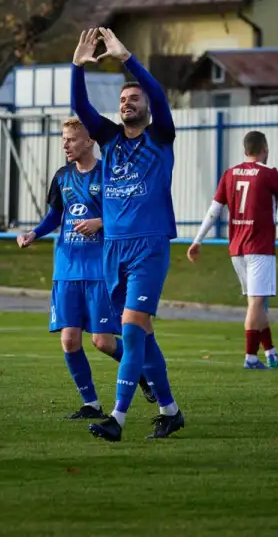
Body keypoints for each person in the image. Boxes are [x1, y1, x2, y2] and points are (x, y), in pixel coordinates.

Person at [71, 27, 183, 442]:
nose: (127, 102)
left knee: (133, 328)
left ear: (147, 106)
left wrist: (125, 57)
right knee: (142, 337)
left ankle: (117, 418)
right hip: (112, 249)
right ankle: (170, 411)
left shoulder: (161, 136)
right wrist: (77, 66)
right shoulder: (111, 139)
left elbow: (156, 90)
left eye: (133, 98)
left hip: (149, 245)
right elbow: (80, 107)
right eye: (122, 99)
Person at [17, 118, 156, 419]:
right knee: (69, 340)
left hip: (99, 271)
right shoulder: (63, 176)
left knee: (103, 342)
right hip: (66, 270)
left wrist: (100, 223)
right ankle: (91, 404)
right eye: (64, 139)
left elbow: (125, 214)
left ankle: (144, 373)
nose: (65, 144)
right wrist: (34, 233)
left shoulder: (108, 174)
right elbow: (55, 215)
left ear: (90, 141)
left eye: (72, 139)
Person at [187, 130, 278, 369]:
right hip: (259, 248)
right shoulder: (269, 174)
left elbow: (214, 210)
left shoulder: (230, 174)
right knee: (256, 304)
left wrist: (197, 240)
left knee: (257, 303)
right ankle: (250, 358)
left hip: (237, 249)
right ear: (265, 148)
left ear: (245, 151)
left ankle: (271, 352)